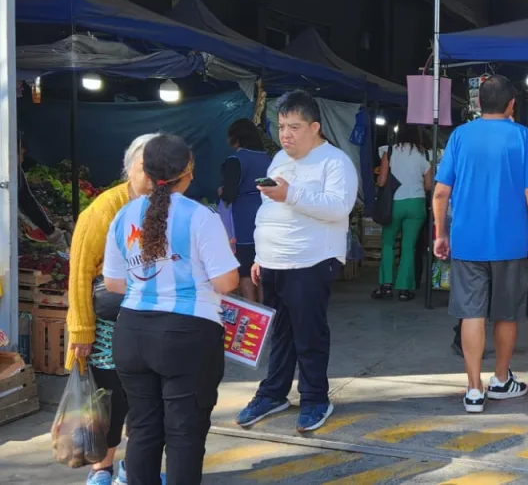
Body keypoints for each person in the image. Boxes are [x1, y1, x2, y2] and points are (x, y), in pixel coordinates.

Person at [102, 135, 240, 485]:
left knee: (143, 428)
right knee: (184, 434)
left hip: (132, 334)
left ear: (145, 172)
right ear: (188, 172)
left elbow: (114, 283)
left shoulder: (123, 215)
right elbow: (226, 282)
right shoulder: (201, 217)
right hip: (187, 336)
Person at [236, 89, 359, 432]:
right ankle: (273, 393)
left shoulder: (335, 162)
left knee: (309, 334)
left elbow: (339, 207)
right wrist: (260, 256)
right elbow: (267, 209)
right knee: (281, 333)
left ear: (314, 127)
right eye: (281, 127)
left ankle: (315, 398)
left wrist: (290, 193)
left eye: (294, 127)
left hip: (311, 260)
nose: (285, 135)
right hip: (273, 262)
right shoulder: (279, 159)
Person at [432, 74, 528, 414]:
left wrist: (441, 233)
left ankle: (473, 390)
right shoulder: (522, 136)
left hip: (467, 241)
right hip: (511, 243)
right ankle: (500, 379)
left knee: (471, 314)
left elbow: (441, 192)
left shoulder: (460, 136)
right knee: (506, 314)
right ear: (512, 104)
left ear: (478, 102)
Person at [65, 134, 158, 485]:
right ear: (129, 168)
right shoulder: (104, 209)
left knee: (146, 401)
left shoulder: (168, 205)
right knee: (111, 400)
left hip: (152, 320)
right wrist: (81, 331)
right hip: (108, 324)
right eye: (144, 167)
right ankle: (101, 469)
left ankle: (134, 469)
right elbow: (79, 272)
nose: (152, 175)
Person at [372, 124, 432, 301]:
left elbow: (382, 181)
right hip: (416, 203)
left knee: (388, 243)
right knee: (409, 246)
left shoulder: (389, 152)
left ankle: (386, 286)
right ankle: (405, 289)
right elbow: (429, 185)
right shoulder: (425, 154)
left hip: (395, 203)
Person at [220, 118, 272, 303]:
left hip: (243, 219)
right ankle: (267, 311)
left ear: (235, 138)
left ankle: (252, 310)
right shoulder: (269, 159)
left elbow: (229, 194)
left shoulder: (236, 160)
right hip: (267, 216)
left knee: (245, 268)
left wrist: (222, 192)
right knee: (264, 267)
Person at [17, 132, 68, 251]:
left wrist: (49, 230)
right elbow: (27, 201)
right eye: (20, 154)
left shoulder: (16, 172)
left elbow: (27, 200)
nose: (21, 160)